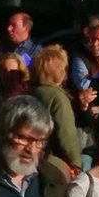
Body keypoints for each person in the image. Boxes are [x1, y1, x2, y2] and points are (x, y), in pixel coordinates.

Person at [30, 45, 81, 177]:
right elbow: (66, 134)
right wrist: (76, 163)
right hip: (51, 161)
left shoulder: (31, 92)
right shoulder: (58, 98)